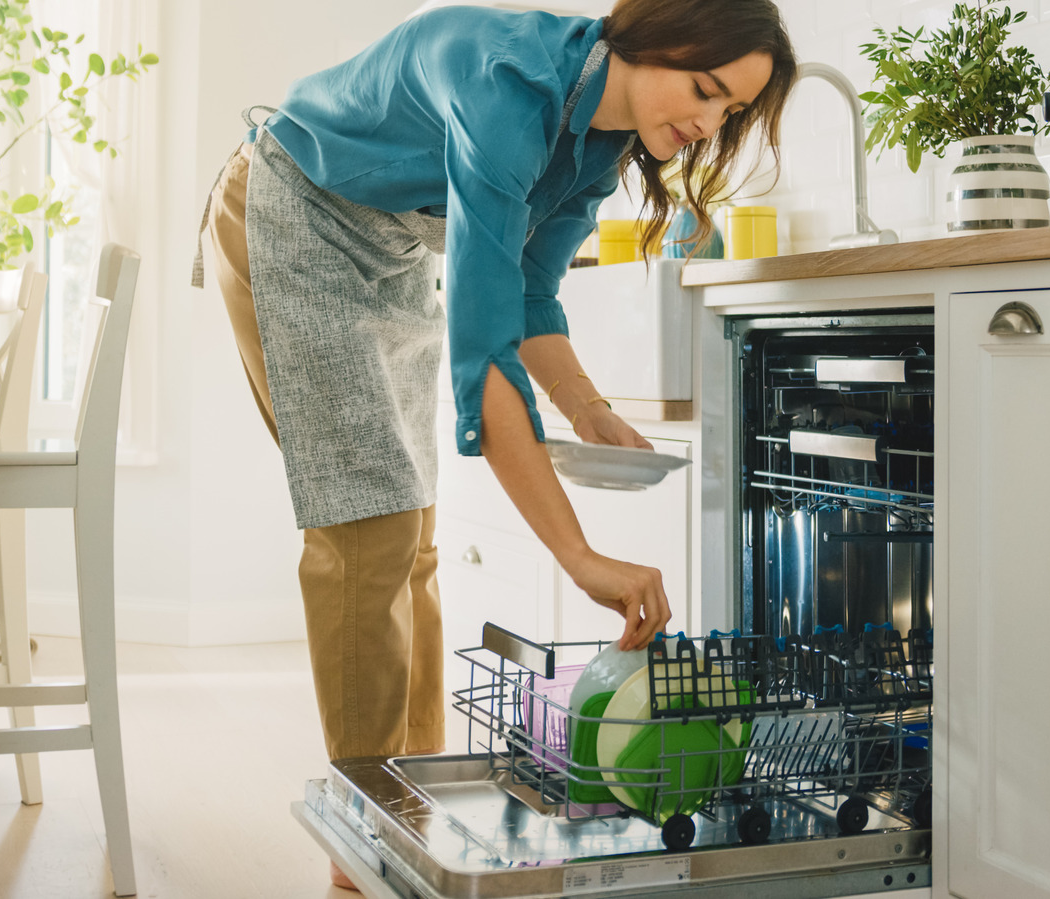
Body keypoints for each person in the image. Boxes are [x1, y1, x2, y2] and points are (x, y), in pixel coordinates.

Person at [192, 0, 794, 888]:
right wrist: (579, 555)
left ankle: (412, 808)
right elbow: (488, 358)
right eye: (705, 91)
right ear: (651, 36)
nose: (709, 124)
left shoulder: (603, 142)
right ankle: (361, 855)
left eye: (730, 112)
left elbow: (529, 294)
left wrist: (586, 407)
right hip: (293, 211)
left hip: (386, 247)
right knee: (367, 530)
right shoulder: (506, 84)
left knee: (414, 534)